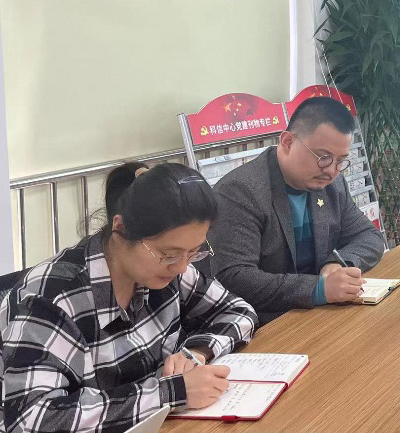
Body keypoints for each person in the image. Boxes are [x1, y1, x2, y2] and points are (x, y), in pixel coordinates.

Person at [0, 162, 258, 433]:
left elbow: (238, 311)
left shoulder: (169, 271)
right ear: (120, 229)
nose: (182, 267)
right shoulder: (53, 299)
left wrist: (197, 351)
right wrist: (170, 393)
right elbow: (31, 419)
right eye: (169, 254)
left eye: (193, 252)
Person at [210, 96, 385, 324]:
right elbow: (234, 277)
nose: (331, 170)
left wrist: (337, 263)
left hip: (318, 314)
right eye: (323, 157)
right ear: (287, 142)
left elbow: (370, 237)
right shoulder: (240, 191)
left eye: (340, 161)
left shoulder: (331, 185)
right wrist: (318, 289)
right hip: (264, 323)